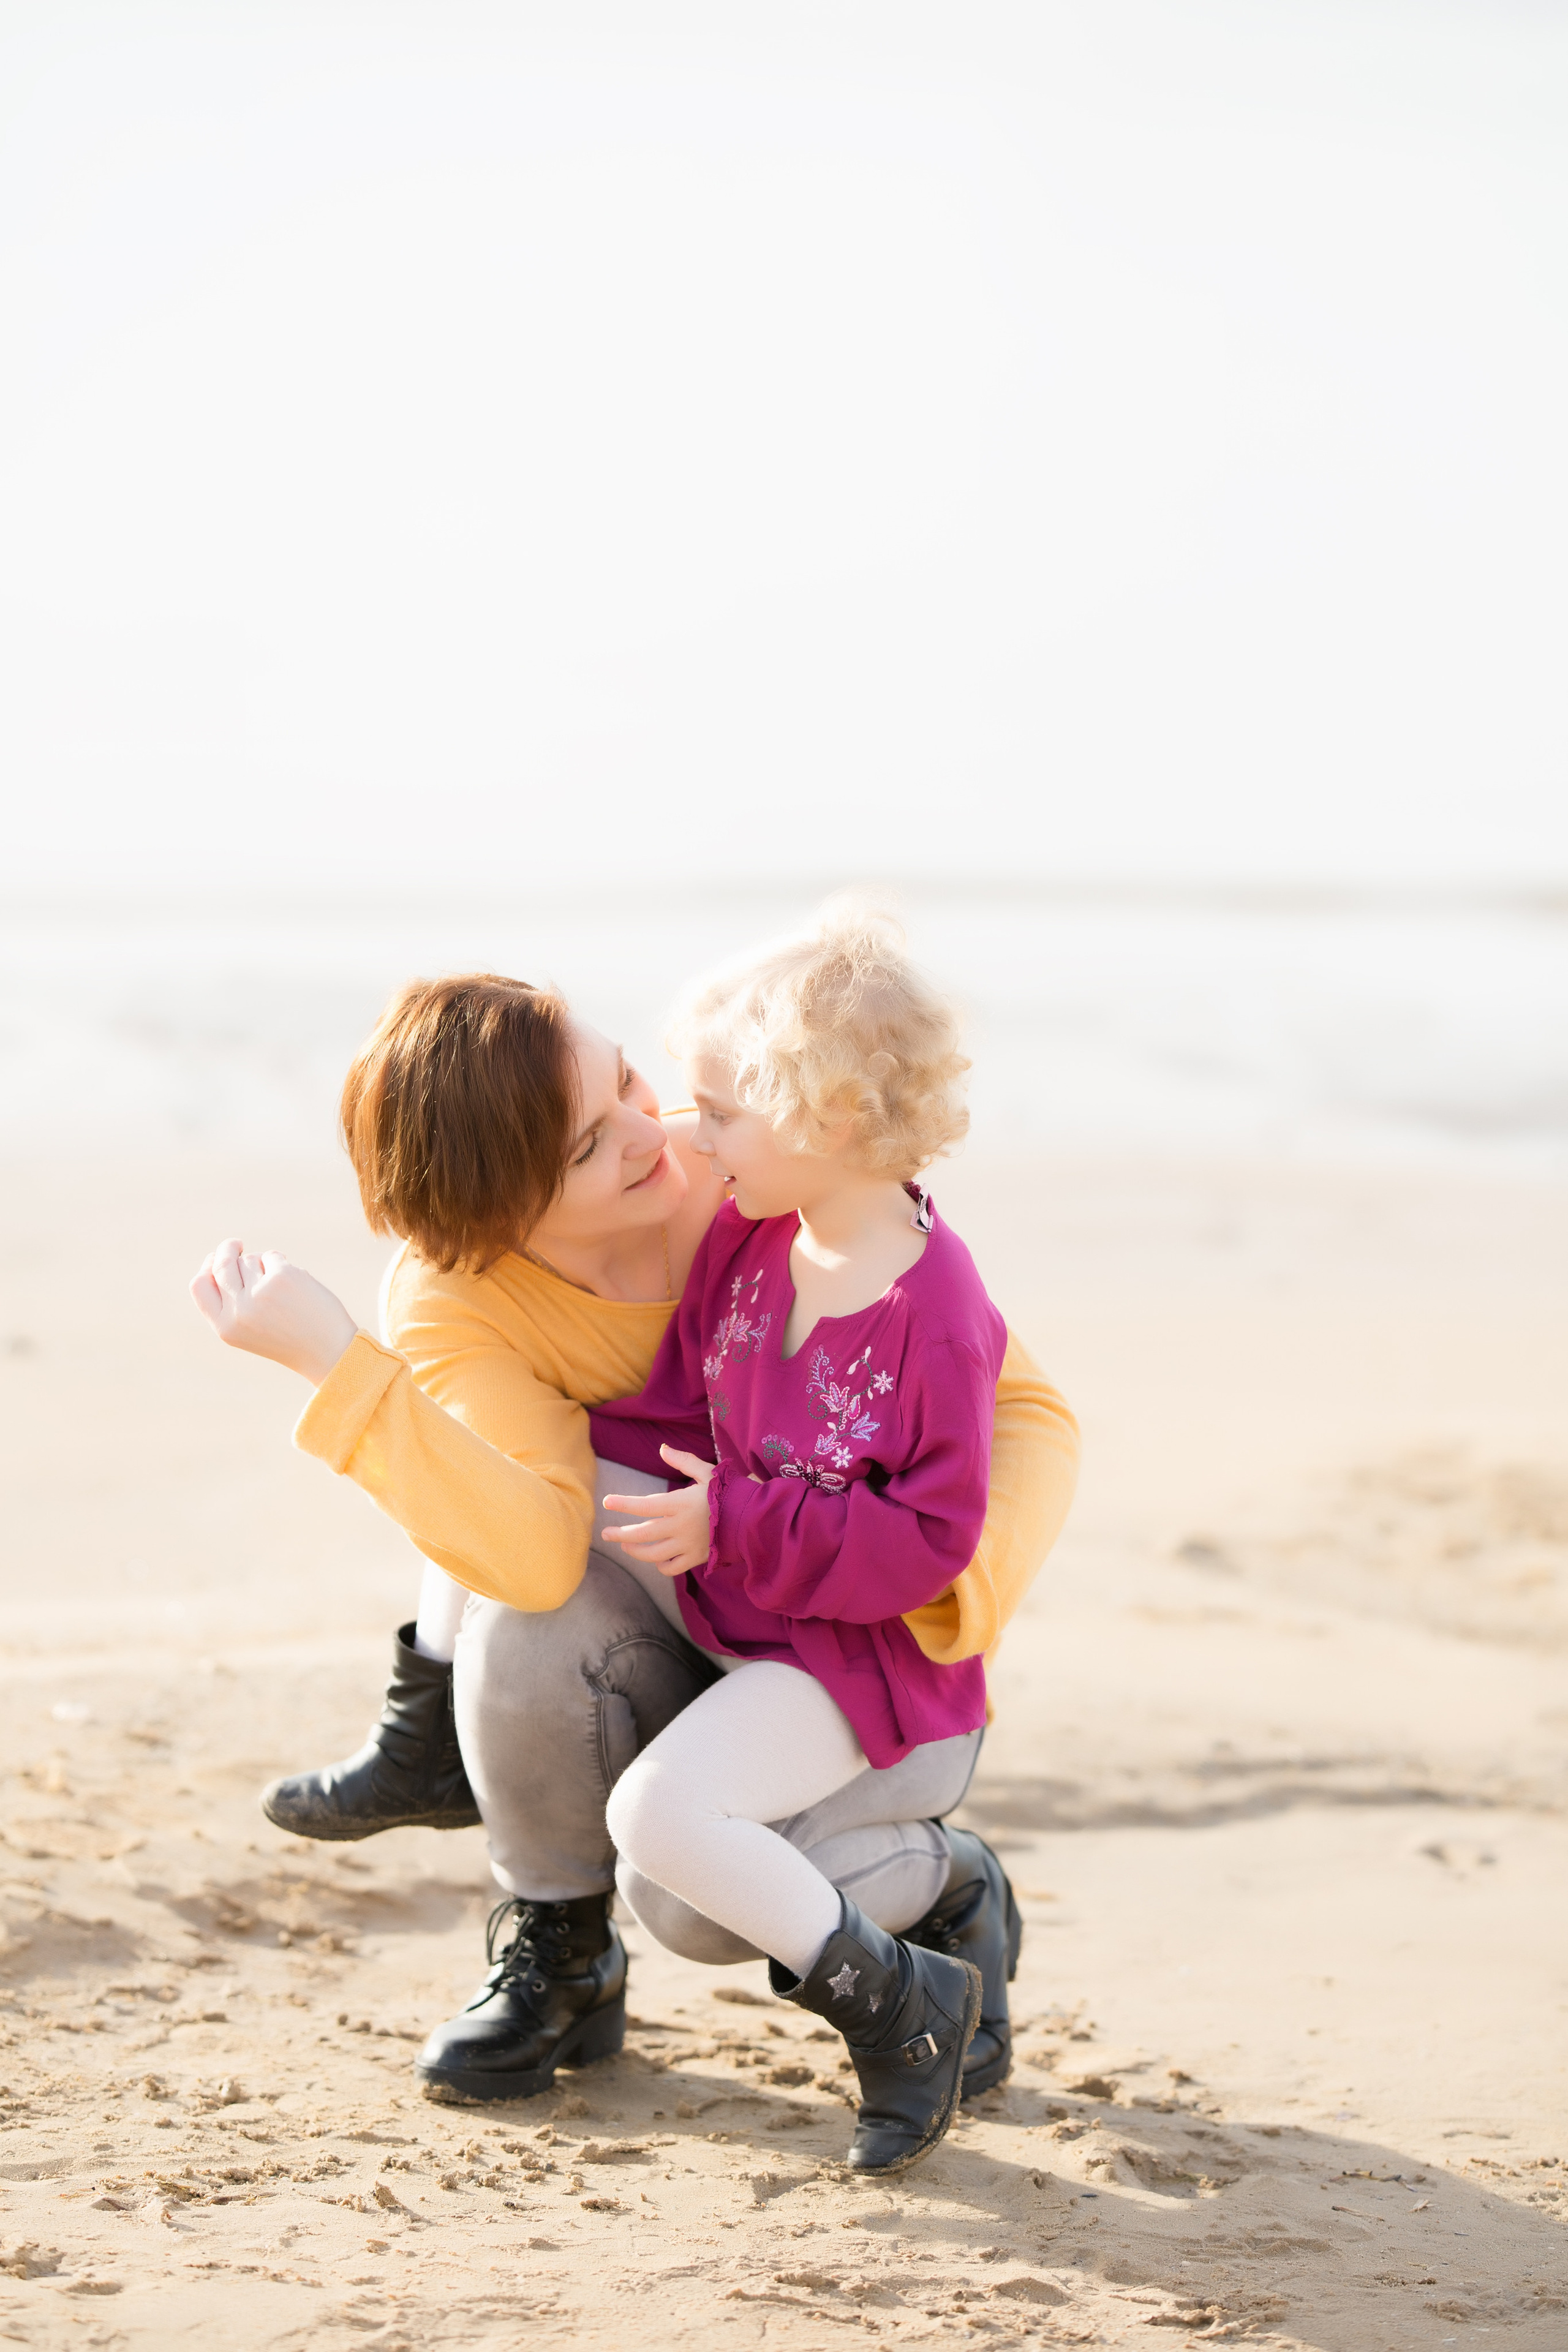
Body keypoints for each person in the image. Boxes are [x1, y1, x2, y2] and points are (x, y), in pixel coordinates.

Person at [189, 939, 1079, 2109]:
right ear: (499, 1218)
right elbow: (525, 1550)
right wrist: (341, 1367)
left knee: (701, 1911)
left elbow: (1025, 1408)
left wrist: (943, 1592)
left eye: (622, 1080)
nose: (651, 1132)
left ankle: (952, 1886)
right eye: (588, 1144)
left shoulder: (753, 1170)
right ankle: (559, 1952)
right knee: (527, 1607)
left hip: (867, 1654)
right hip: (704, 1614)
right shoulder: (458, 1297)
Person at [589, 913, 1010, 2174]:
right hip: (752, 1631)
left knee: (659, 1814)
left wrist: (731, 1518)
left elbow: (929, 1540)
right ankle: (926, 1915)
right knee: (677, 1902)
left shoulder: (933, 1313)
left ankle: (910, 2000)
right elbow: (675, 1411)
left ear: (821, 1117)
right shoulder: (751, 1238)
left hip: (863, 1664)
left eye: (720, 1112)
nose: (690, 1135)